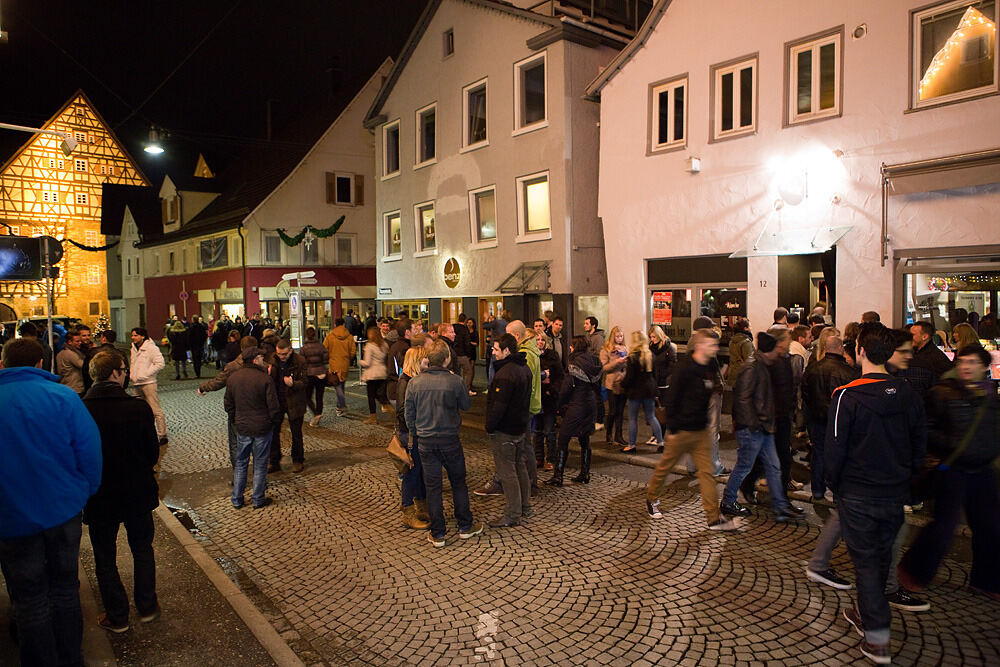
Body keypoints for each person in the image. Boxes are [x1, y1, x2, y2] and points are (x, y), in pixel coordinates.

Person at [827, 322, 926, 665]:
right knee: (880, 558)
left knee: (868, 564)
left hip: (857, 492)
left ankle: (877, 638)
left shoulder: (846, 396)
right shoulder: (908, 393)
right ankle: (866, 613)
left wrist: (834, 485)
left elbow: (835, 449)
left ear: (861, 352)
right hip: (893, 491)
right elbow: (918, 445)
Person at [0, 338, 102, 665]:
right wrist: (84, 493)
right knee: (64, 590)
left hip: (11, 517)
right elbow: (89, 453)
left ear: (3, 364)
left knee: (29, 600)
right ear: (41, 364)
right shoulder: (64, 397)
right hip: (62, 510)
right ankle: (71, 657)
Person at [898, 345, 1000, 602]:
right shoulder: (943, 392)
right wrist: (951, 443)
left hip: (983, 471)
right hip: (953, 469)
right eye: (962, 361)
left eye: (972, 362)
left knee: (990, 527)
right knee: (943, 526)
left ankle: (986, 580)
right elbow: (926, 428)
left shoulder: (990, 397)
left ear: (984, 367)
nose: (965, 366)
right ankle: (914, 570)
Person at [82, 351, 161, 633]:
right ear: (115, 373)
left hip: (99, 495)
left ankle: (117, 616)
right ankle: (147, 605)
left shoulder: (81, 408)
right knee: (142, 549)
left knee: (105, 556)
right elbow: (152, 452)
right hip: (136, 493)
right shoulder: (137, 408)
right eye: (124, 370)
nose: (126, 373)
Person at [645, 329, 739, 531]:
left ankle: (713, 518)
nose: (715, 348)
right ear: (700, 346)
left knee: (707, 474)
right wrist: (675, 427)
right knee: (665, 467)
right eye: (711, 345)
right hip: (682, 430)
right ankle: (652, 498)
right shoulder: (684, 368)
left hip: (701, 429)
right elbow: (673, 398)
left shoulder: (707, 367)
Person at [404, 340, 483, 547]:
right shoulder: (455, 381)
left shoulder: (415, 383)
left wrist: (417, 434)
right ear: (447, 359)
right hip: (450, 439)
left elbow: (408, 415)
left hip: (426, 442)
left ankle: (438, 533)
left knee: (433, 488)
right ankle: (465, 525)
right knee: (458, 482)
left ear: (427, 360)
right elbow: (466, 405)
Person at [721, 332, 800, 522]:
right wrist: (754, 424)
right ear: (769, 350)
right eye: (775, 350)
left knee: (773, 466)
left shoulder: (762, 365)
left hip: (762, 427)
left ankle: (780, 507)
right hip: (753, 428)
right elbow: (743, 399)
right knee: (744, 466)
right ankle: (728, 500)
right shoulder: (752, 367)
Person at [484, 333, 534, 527]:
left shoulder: (506, 374)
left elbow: (499, 406)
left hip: (506, 430)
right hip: (520, 426)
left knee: (508, 472)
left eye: (496, 349)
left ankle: (513, 514)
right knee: (519, 466)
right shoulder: (524, 368)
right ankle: (525, 507)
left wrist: (490, 426)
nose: (493, 353)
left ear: (506, 350)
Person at [802, 335, 858, 501]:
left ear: (825, 348)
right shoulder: (848, 372)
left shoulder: (812, 369)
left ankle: (817, 490)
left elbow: (805, 397)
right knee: (839, 456)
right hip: (837, 422)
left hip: (817, 419)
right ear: (840, 348)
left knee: (818, 453)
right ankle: (837, 491)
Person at [225, 347, 280, 509]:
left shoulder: (234, 378)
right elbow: (274, 407)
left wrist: (236, 418)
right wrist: (272, 422)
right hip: (262, 427)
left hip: (243, 427)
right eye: (261, 357)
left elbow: (228, 403)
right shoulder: (264, 379)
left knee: (241, 462)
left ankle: (237, 498)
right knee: (260, 463)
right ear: (255, 360)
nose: (264, 359)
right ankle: (257, 498)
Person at [547, 336, 602, 486]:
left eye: (571, 346)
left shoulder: (574, 363)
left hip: (577, 404)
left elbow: (566, 388)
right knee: (584, 438)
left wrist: (560, 404)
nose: (570, 348)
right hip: (591, 403)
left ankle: (558, 475)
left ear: (574, 347)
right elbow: (598, 386)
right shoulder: (594, 362)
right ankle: (585, 473)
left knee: (563, 438)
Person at [199, 336, 259, 468]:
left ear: (241, 348)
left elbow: (218, 382)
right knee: (257, 445)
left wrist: (203, 387)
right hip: (257, 410)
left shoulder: (233, 366)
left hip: (237, 410)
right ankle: (259, 478)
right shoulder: (263, 365)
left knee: (236, 444)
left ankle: (239, 477)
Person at [396, 347, 430, 530]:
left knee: (419, 471)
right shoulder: (405, 382)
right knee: (411, 472)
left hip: (414, 432)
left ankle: (421, 507)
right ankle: (408, 513)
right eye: (424, 360)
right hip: (409, 434)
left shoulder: (412, 380)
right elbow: (402, 412)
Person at [268, 338, 308, 473]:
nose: (282, 357)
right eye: (279, 354)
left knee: (296, 432)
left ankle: (298, 460)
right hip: (278, 401)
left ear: (290, 351)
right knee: (273, 432)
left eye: (284, 354)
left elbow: (305, 382)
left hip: (295, 401)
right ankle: (274, 460)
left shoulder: (300, 361)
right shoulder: (272, 360)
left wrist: (293, 384)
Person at [621, 331, 664, 453]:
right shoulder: (650, 355)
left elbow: (630, 377)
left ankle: (632, 445)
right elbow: (656, 375)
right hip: (649, 390)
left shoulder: (633, 357)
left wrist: (622, 384)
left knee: (633, 418)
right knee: (651, 416)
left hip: (635, 391)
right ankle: (660, 442)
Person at [130, 327, 168, 445]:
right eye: (132, 335)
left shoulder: (151, 348)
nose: (133, 337)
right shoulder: (133, 348)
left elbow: (160, 363)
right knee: (138, 410)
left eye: (136, 335)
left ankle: (162, 434)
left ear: (142, 336)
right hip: (136, 383)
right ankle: (143, 432)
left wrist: (145, 374)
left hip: (149, 383)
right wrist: (133, 375)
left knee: (155, 409)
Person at [534, 333, 564, 471]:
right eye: (537, 340)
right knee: (537, 430)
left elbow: (559, 376)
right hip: (537, 398)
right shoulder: (532, 356)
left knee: (549, 430)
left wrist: (551, 387)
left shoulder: (552, 356)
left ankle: (551, 459)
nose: (540, 342)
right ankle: (538, 458)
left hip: (549, 398)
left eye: (542, 340)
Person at [600, 326, 628, 447]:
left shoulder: (625, 348)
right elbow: (604, 367)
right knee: (613, 411)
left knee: (621, 411)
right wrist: (617, 361)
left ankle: (619, 435)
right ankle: (608, 433)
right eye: (617, 336)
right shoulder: (606, 350)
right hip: (612, 383)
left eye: (621, 336)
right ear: (613, 336)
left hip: (623, 382)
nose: (619, 338)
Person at [323, 317, 356, 417]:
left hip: (334, 364)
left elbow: (324, 349)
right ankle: (340, 406)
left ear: (335, 324)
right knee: (341, 385)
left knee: (338, 386)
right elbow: (353, 351)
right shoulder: (349, 336)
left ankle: (341, 406)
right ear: (343, 324)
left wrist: (330, 357)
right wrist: (348, 358)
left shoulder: (330, 336)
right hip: (344, 364)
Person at [300, 326, 329, 427]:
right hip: (321, 373)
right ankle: (318, 413)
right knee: (319, 397)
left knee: (307, 396)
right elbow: (326, 359)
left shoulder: (303, 348)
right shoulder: (321, 346)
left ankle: (316, 413)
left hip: (310, 374)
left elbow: (302, 362)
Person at [57, 328, 86, 395]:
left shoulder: (61, 353)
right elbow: (83, 365)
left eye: (80, 341)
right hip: (75, 387)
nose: (80, 343)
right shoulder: (71, 354)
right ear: (70, 342)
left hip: (65, 386)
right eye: (77, 341)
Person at [726, 317, 754, 385]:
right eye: (750, 326)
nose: (751, 328)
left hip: (733, 374)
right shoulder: (746, 342)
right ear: (745, 328)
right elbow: (749, 361)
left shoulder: (732, 341)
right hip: (743, 376)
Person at [454, 313, 475, 395]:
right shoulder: (465, 329)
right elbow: (467, 343)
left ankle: (455, 388)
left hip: (453, 353)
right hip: (462, 354)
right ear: (465, 320)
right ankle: (466, 389)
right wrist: (469, 355)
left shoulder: (453, 327)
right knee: (469, 371)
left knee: (456, 372)